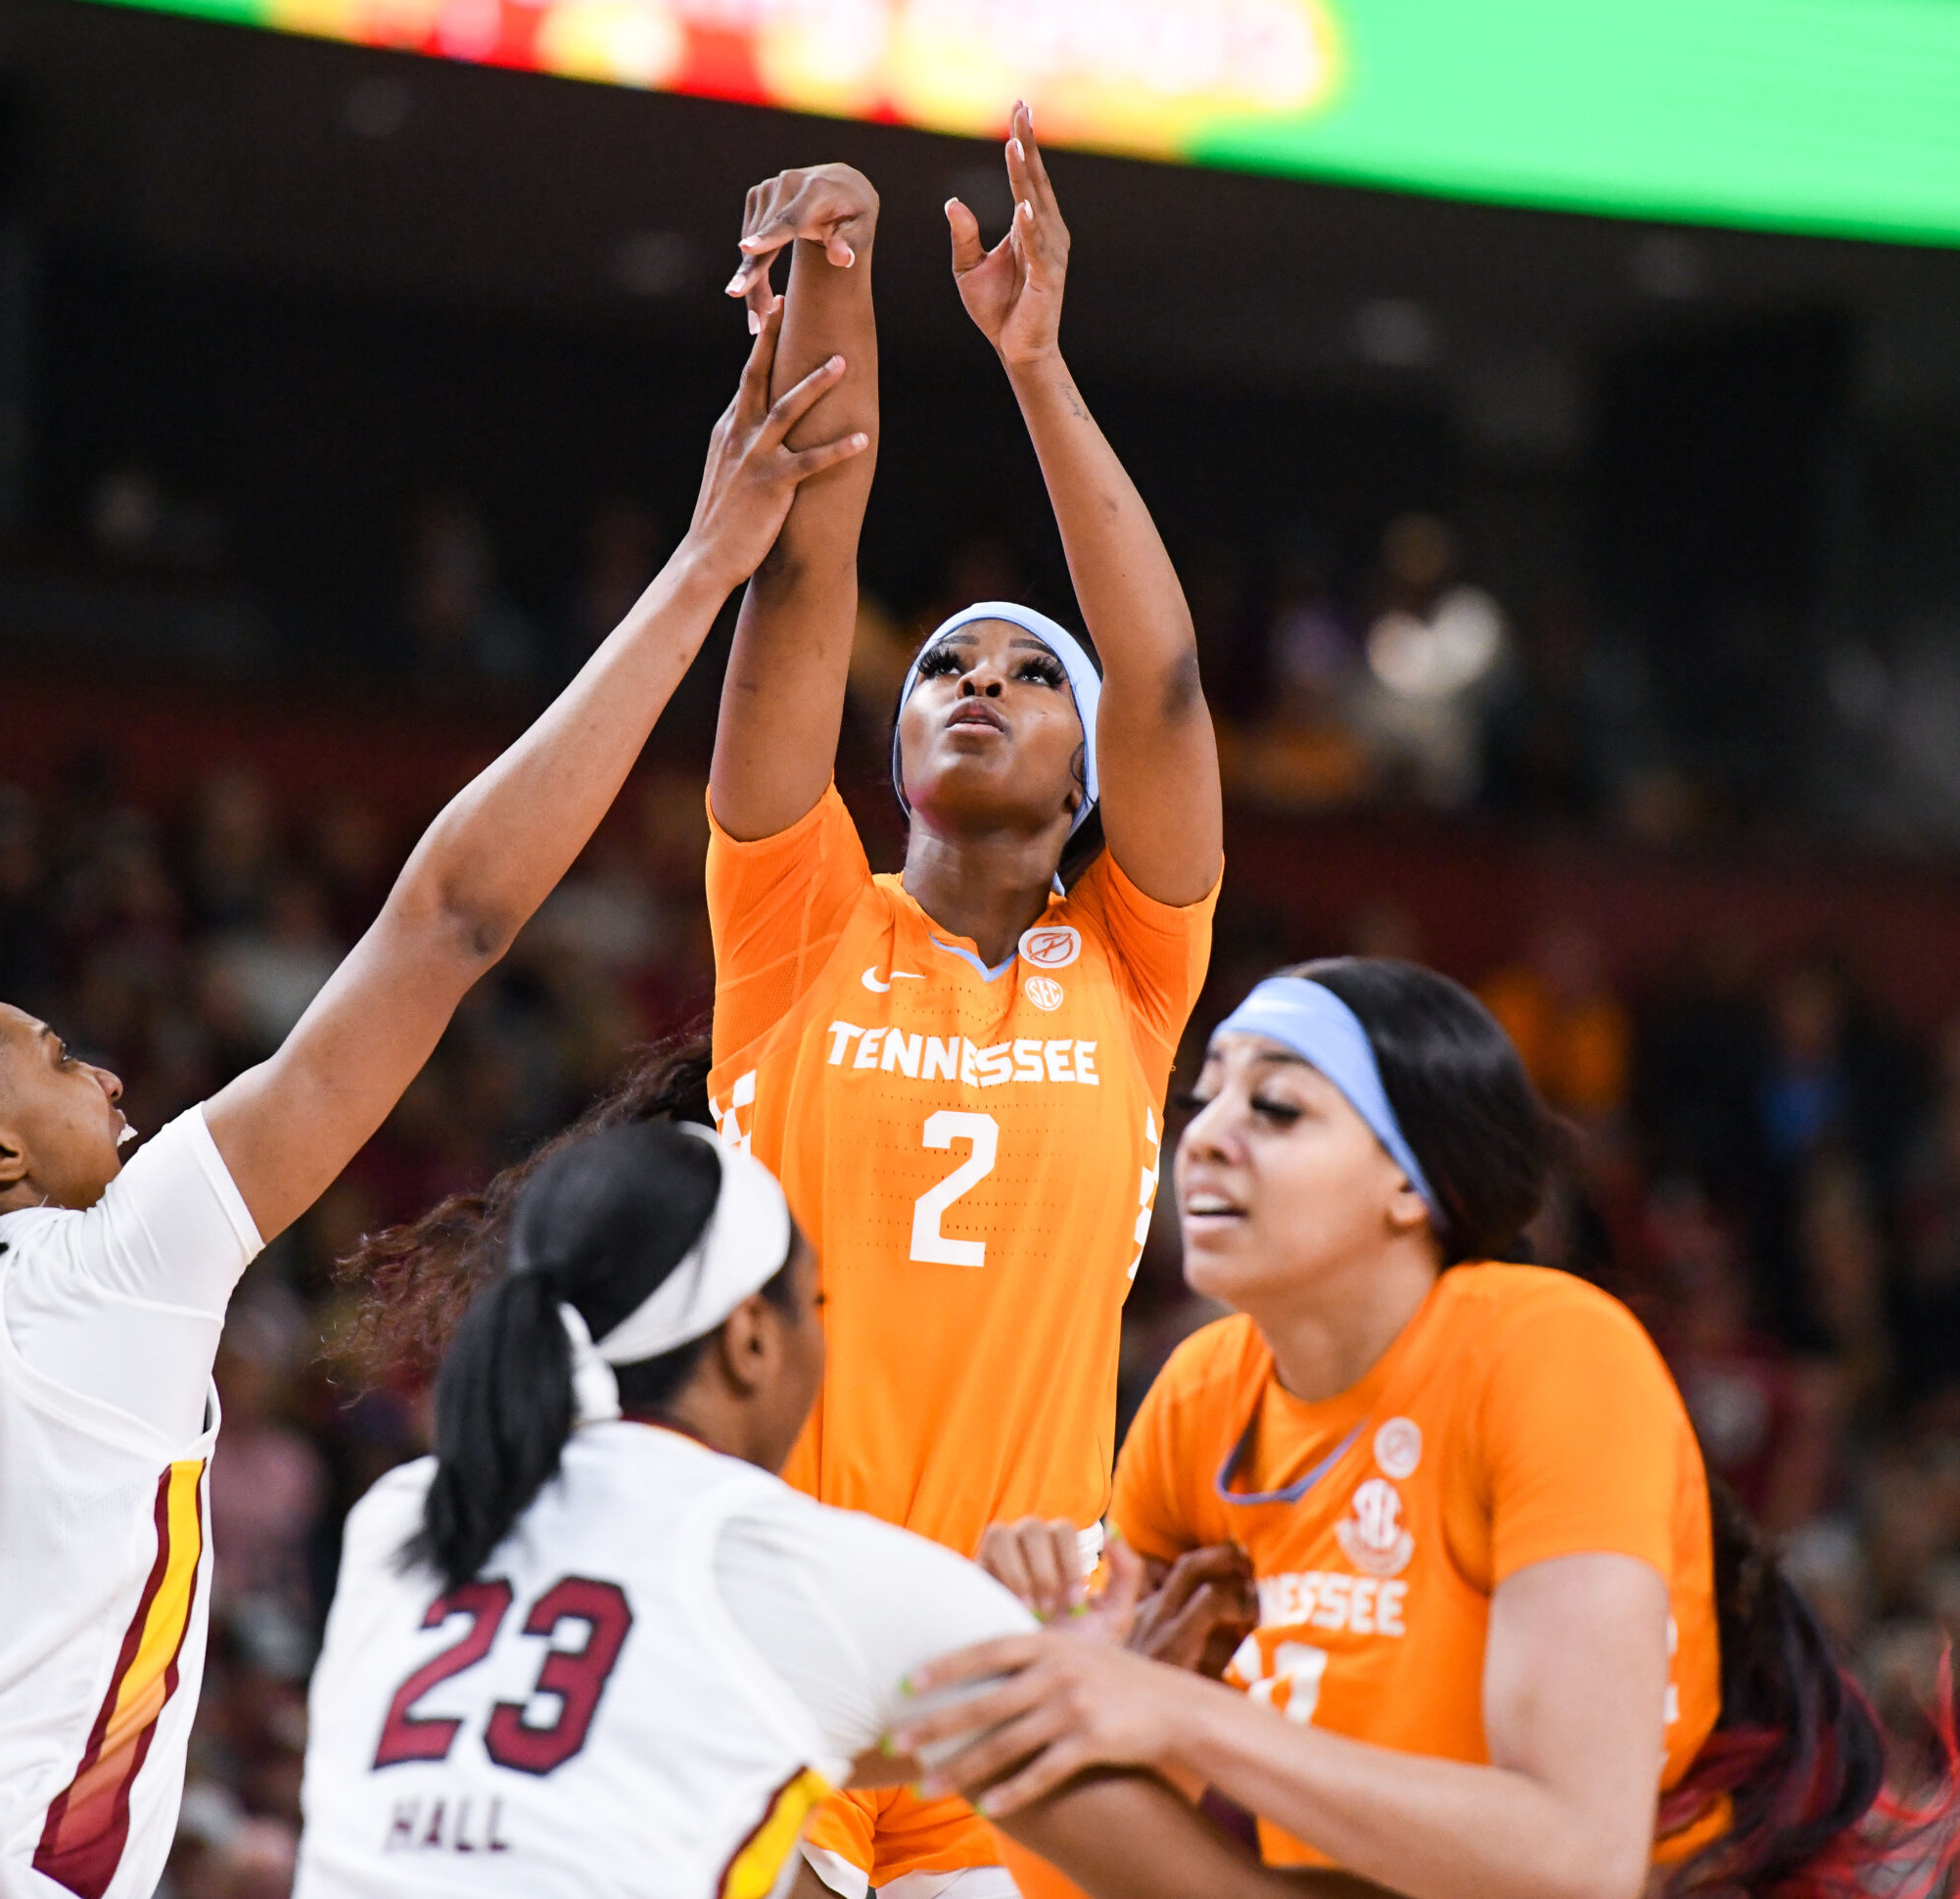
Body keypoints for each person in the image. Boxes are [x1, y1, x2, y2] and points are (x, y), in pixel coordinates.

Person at [0, 306, 871, 1899]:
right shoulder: (108, 1262)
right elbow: (449, 926)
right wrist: (703, 568)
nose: (116, 1075)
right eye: (62, 1058)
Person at [908, 959, 1960, 1899]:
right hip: (1360, 1877)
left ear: (1409, 1183)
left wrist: (1182, 1716)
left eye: (1274, 1106)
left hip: (1650, 1873)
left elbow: (1574, 1859)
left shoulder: (1550, 1352)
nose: (1208, 1134)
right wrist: (1059, 1661)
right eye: (1203, 1094)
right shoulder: (1201, 1390)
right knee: (991, 1719)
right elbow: (1089, 1837)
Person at [706, 105, 1222, 1896]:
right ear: (897, 744)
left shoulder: (1134, 969)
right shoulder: (796, 920)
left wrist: (1038, 367)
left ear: (1086, 782)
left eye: (1025, 673)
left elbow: (1161, 682)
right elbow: (802, 565)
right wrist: (833, 277)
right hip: (767, 1626)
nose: (979, 682)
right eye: (943, 669)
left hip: (1015, 1651)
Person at [301, 1121, 1385, 1899]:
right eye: (815, 1303)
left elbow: (700, 1732)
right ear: (749, 1339)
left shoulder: (406, 1511)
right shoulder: (793, 1563)